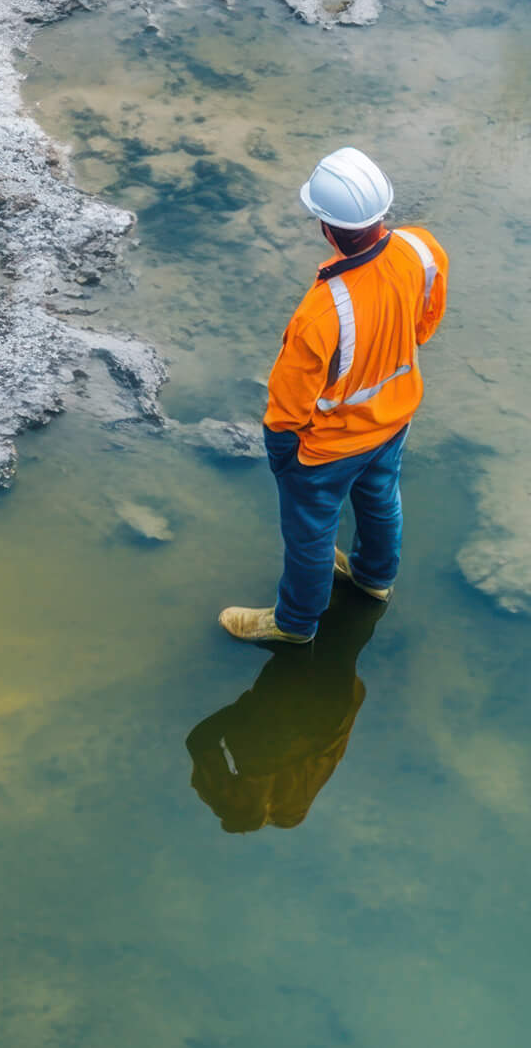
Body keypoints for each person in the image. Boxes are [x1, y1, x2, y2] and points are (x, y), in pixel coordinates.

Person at [220, 146, 449, 644]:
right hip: (395, 417)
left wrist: (285, 456)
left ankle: (294, 623)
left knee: (311, 534)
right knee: (382, 500)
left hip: (329, 448)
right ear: (382, 210)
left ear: (327, 227)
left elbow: (286, 409)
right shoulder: (423, 249)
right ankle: (373, 579)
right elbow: (425, 325)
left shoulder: (322, 311)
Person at [186, 591, 388, 833]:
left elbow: (199, 741)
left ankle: (305, 614)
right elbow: (198, 741)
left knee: (343, 622)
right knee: (335, 613)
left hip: (334, 697)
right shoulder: (260, 764)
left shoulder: (291, 797)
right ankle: (299, 617)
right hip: (316, 695)